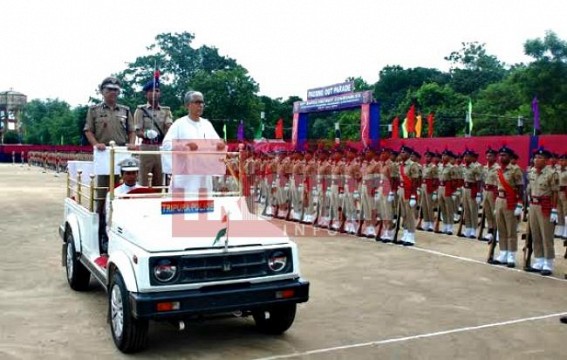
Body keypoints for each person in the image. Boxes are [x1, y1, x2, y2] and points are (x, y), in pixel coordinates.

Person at [162, 91, 225, 194]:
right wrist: (183, 146)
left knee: (203, 206)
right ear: (188, 105)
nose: (200, 105)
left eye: (202, 103)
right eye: (197, 102)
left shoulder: (207, 124)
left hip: (204, 176)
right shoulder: (179, 124)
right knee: (183, 205)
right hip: (185, 176)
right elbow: (166, 145)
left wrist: (220, 144)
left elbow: (217, 143)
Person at [524, 147, 559, 275]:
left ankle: (548, 263)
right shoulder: (532, 172)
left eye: (540, 158)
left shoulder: (551, 173)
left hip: (545, 206)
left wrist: (554, 210)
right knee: (535, 233)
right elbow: (529, 189)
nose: (536, 160)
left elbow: (555, 193)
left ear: (546, 160)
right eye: (535, 157)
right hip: (533, 205)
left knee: (546, 235)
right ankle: (539, 260)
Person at [489, 146, 524, 267]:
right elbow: (495, 187)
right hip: (500, 200)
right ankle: (503, 253)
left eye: (504, 155)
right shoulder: (497, 170)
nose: (501, 157)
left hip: (510, 201)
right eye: (500, 155)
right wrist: (495, 204)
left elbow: (520, 188)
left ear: (509, 157)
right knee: (501, 228)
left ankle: (511, 256)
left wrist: (519, 204)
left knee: (511, 230)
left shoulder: (515, 170)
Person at [134, 79, 173, 186]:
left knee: (159, 179)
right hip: (147, 146)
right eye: (151, 91)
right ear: (146, 94)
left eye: (157, 91)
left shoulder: (166, 111)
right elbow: (137, 131)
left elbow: (169, 127)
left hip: (161, 147)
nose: (154, 93)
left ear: (160, 93)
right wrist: (146, 134)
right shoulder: (140, 110)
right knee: (145, 179)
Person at [103, 157, 141, 253]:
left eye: (134, 173)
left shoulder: (144, 191)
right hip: (119, 229)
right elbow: (109, 218)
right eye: (128, 173)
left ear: (137, 174)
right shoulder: (114, 193)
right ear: (122, 175)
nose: (131, 176)